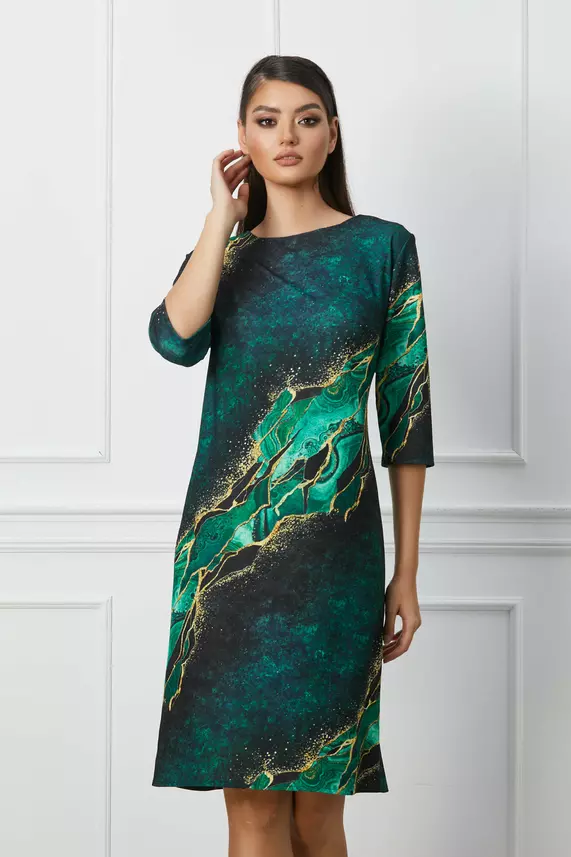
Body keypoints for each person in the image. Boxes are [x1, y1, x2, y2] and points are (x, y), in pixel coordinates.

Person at [148, 54, 435, 857]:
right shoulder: (224, 256)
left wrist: (406, 571)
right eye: (266, 121)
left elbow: (407, 419)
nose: (287, 136)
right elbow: (173, 338)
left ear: (331, 134)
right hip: (224, 564)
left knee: (318, 812)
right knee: (250, 809)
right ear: (241, 136)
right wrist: (220, 217)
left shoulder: (382, 249)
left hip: (334, 562)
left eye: (306, 119)